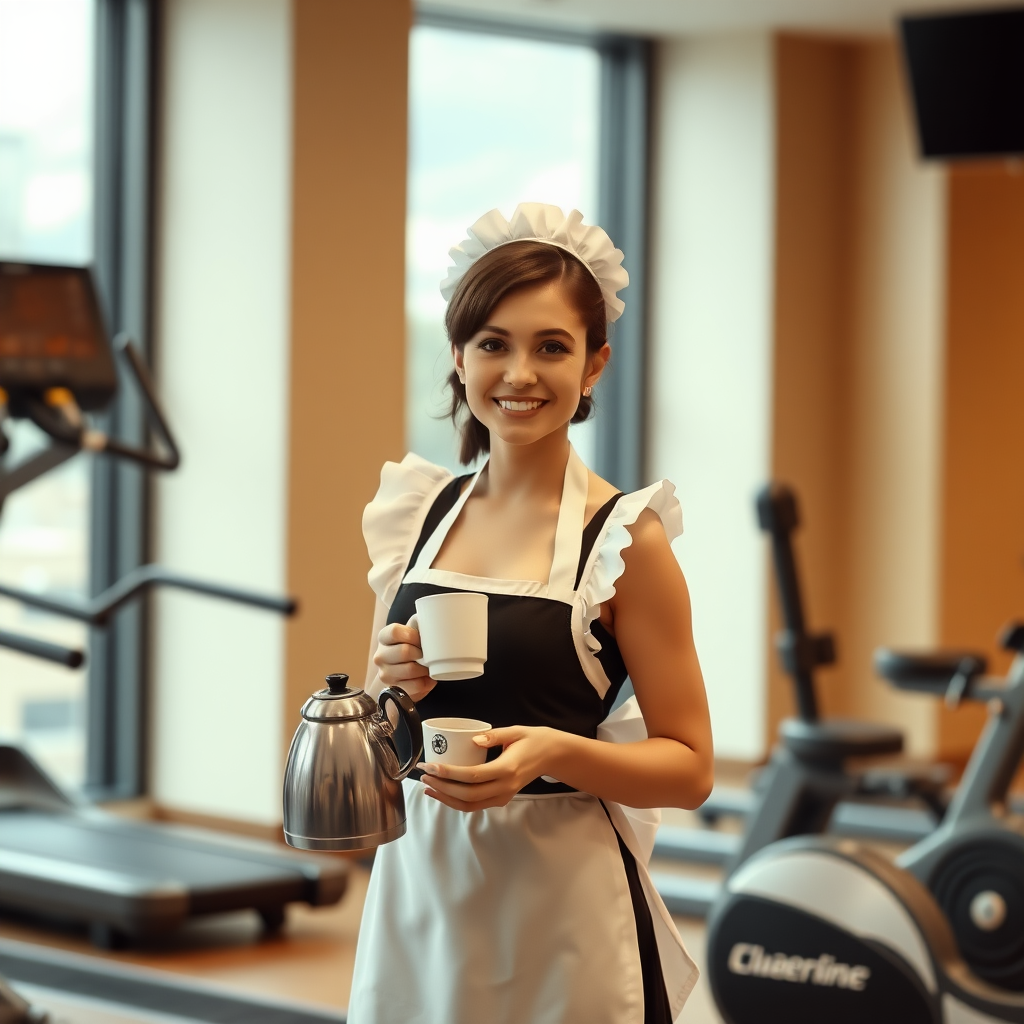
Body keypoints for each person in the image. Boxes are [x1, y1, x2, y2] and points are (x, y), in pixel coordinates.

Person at [348, 203, 713, 1024]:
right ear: (458, 355)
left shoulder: (626, 541)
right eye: (493, 344)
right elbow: (382, 732)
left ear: (594, 366)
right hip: (424, 889)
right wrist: (393, 693)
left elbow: (691, 768)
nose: (519, 373)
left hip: (565, 904)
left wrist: (555, 752)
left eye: (552, 347)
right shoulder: (415, 514)